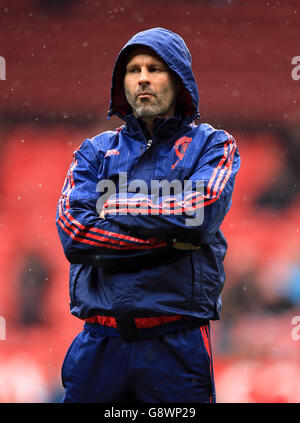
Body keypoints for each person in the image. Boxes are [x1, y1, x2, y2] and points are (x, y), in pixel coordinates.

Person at [56, 27, 240, 403]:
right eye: (133, 69)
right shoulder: (94, 151)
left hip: (176, 345)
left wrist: (114, 206)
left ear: (178, 79)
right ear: (121, 82)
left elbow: (198, 212)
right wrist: (168, 243)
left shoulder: (214, 144)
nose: (142, 77)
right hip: (98, 343)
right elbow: (74, 233)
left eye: (155, 68)